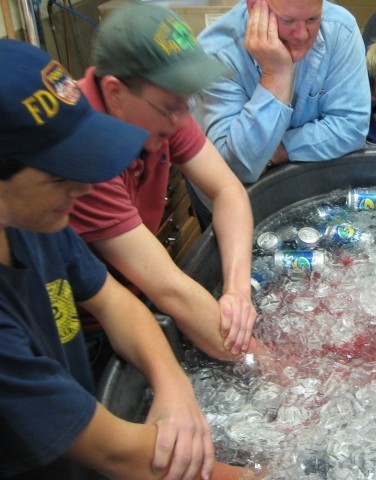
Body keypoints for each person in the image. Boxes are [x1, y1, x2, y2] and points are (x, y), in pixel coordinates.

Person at [0, 39, 254, 480]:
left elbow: (115, 302)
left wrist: (172, 383)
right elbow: (117, 453)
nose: (82, 188)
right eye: (62, 173)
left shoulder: (35, 226)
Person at [71, 4, 258, 378]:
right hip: (82, 331)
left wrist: (238, 290)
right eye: (172, 106)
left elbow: (227, 190)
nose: (181, 119)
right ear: (115, 92)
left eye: (186, 102)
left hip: (135, 297)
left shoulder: (163, 109)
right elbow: (169, 289)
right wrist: (276, 368)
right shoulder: (82, 149)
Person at [190, 0, 370, 190]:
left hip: (307, 185)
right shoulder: (215, 55)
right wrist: (276, 75)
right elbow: (237, 169)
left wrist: (279, 150)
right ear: (254, 7)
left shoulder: (341, 29)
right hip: (229, 199)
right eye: (287, 20)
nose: (301, 34)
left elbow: (353, 128)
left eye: (312, 19)